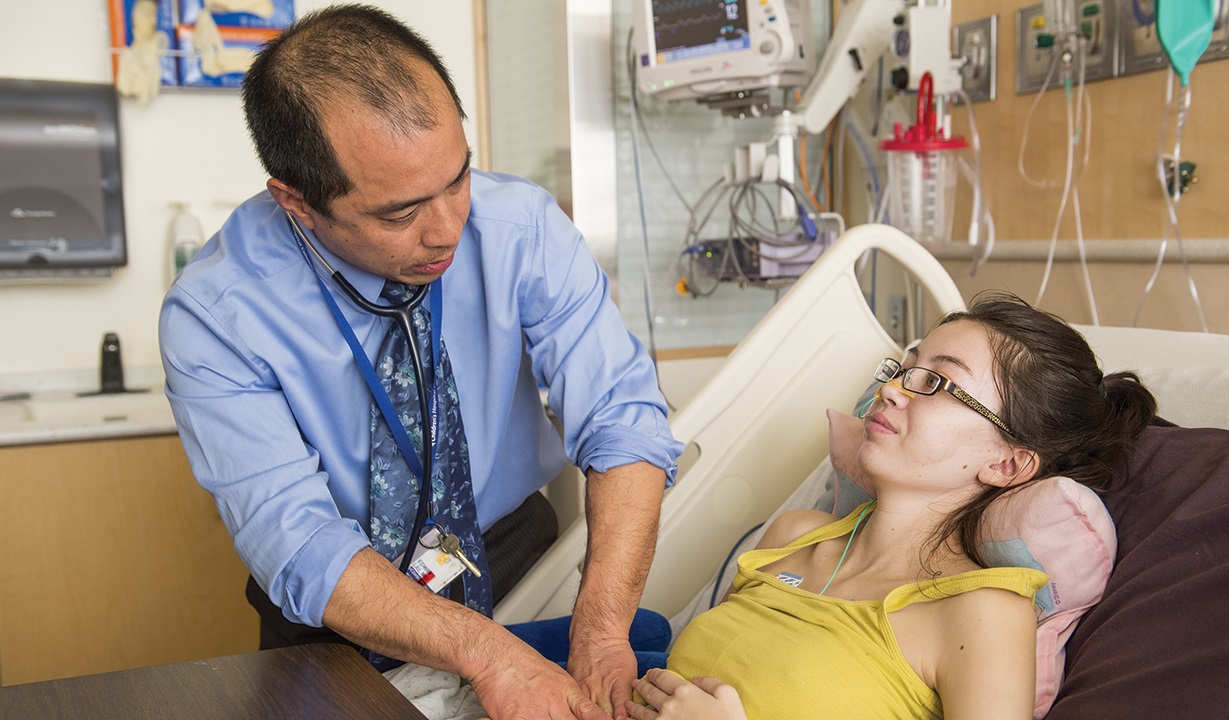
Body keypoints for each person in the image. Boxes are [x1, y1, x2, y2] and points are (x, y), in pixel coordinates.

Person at [158, 6, 682, 720]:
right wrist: (491, 655)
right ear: (298, 203)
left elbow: (624, 423)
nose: (448, 229)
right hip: (335, 611)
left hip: (511, 555)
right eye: (399, 213)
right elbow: (300, 541)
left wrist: (598, 631)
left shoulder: (520, 230)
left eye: (458, 179)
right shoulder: (216, 314)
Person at [625, 292, 1157, 720]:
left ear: (1007, 465)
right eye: (903, 368)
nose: (895, 389)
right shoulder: (792, 536)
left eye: (939, 382)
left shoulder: (981, 613)